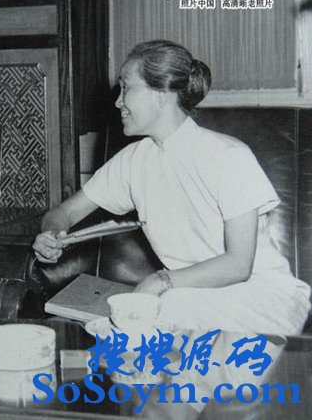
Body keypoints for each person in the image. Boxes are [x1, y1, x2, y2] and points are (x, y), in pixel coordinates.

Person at [33, 40, 310, 336]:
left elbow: (239, 265)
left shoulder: (228, 156)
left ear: (162, 94)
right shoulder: (133, 160)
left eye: (126, 88)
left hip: (263, 298)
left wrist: (160, 281)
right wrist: (52, 234)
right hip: (186, 298)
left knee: (161, 313)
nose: (117, 102)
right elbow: (64, 213)